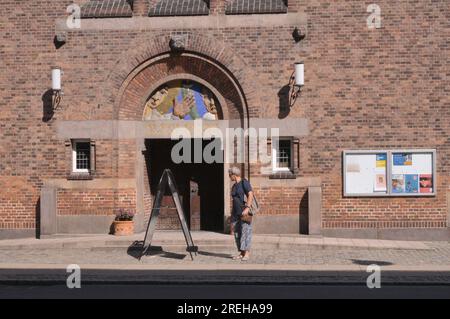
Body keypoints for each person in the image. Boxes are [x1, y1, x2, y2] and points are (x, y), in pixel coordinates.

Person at [228, 166, 254, 261]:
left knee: (245, 232)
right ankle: (241, 253)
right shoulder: (234, 186)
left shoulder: (244, 182)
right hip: (235, 213)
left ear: (234, 175)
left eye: (230, 175)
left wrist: (247, 207)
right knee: (237, 234)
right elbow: (234, 200)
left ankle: (246, 253)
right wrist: (232, 214)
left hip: (244, 213)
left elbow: (250, 194)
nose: (229, 177)